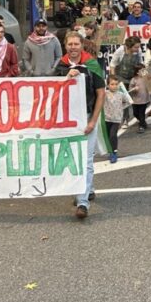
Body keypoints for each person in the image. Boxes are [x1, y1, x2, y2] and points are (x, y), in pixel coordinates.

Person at [54, 32, 105, 219]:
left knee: (86, 159)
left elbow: (101, 93)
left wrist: (93, 121)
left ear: (81, 45)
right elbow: (53, 91)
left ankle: (82, 202)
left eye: (76, 44)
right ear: (65, 46)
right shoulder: (60, 66)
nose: (73, 47)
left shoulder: (92, 65)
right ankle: (88, 189)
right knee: (74, 158)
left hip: (87, 116)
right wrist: (67, 77)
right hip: (69, 120)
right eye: (70, 44)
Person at [103, 75, 132, 163]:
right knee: (108, 136)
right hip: (106, 118)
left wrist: (121, 107)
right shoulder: (105, 94)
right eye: (112, 84)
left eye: (116, 84)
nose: (114, 86)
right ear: (107, 85)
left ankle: (114, 152)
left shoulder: (120, 94)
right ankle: (110, 151)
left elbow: (128, 102)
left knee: (113, 135)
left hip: (116, 119)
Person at [128, 64, 150, 133]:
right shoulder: (134, 79)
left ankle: (142, 126)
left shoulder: (146, 78)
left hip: (144, 100)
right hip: (135, 100)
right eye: (142, 71)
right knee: (135, 113)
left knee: (141, 113)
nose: (144, 72)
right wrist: (134, 89)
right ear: (137, 72)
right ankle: (142, 121)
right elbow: (130, 89)